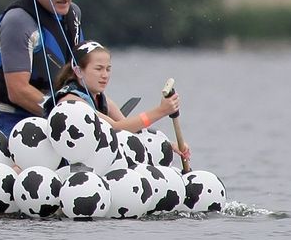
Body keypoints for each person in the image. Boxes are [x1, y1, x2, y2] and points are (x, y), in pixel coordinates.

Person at [0, 0, 85, 135]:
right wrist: (66, 116)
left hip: (58, 112)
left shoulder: (73, 14)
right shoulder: (18, 21)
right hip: (13, 117)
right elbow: (18, 91)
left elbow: (83, 72)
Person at [52, 41, 190, 159]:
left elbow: (130, 127)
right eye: (98, 69)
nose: (105, 75)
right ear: (78, 71)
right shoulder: (71, 101)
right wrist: (161, 111)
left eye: (108, 69)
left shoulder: (101, 98)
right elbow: (115, 128)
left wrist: (169, 144)